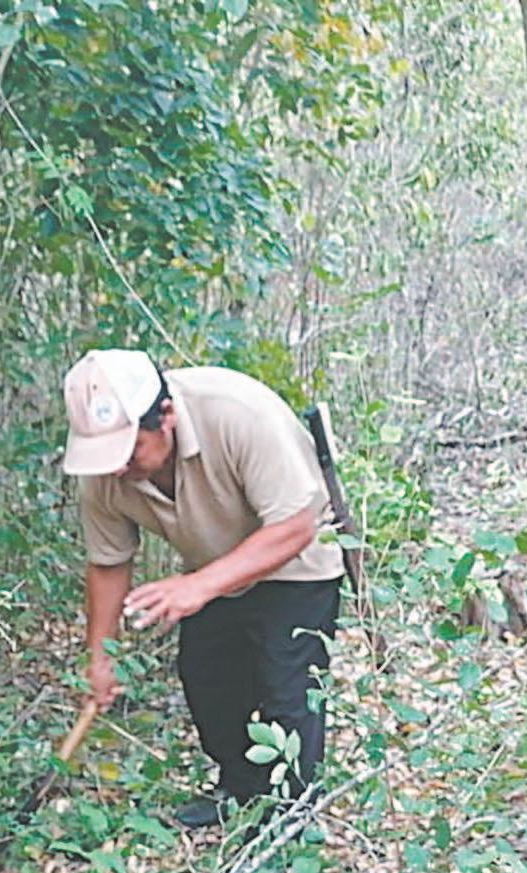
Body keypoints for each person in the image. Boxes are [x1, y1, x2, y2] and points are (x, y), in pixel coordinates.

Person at [61, 348, 344, 828]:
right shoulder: (106, 472)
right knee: (207, 679)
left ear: (166, 417)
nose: (117, 468)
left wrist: (197, 586)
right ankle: (239, 789)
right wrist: (100, 657)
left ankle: (289, 818)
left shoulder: (240, 415)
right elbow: (108, 563)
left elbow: (297, 526)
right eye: (107, 456)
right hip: (211, 567)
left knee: (287, 692)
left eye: (130, 451)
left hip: (296, 564)